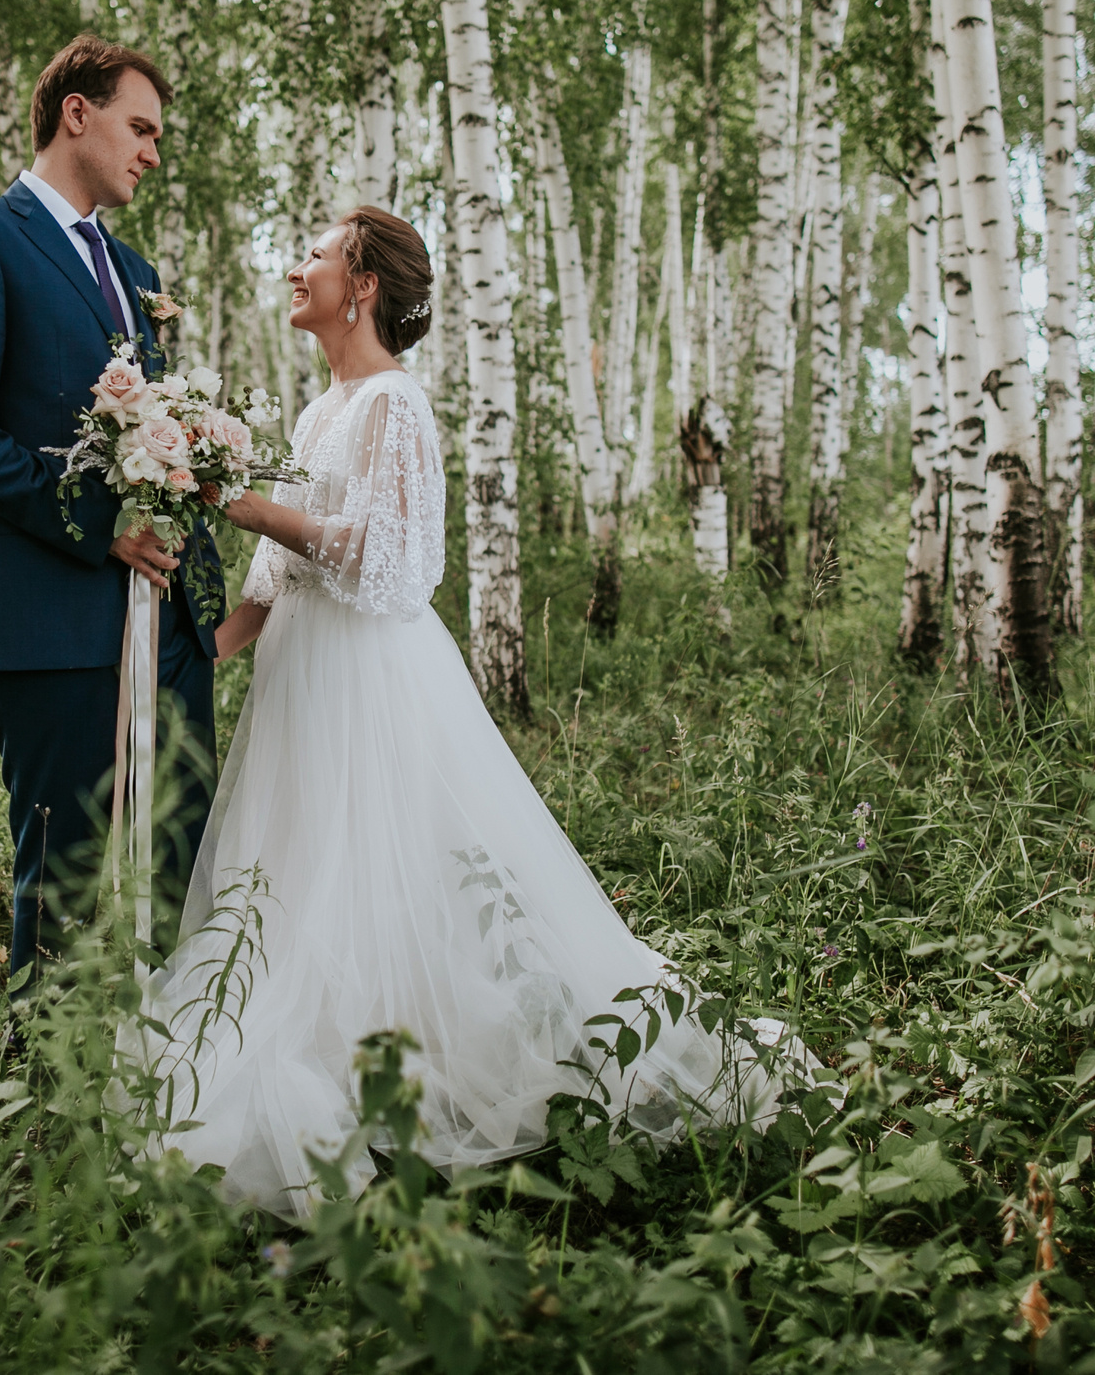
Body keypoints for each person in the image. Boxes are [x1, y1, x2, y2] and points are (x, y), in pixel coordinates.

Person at [133, 206, 819, 1222]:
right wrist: (204, 651)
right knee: (302, 865)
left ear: (360, 286)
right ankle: (344, 1044)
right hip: (299, 678)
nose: (295, 268)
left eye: (314, 256)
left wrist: (235, 496)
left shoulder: (393, 408)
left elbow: (387, 561)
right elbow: (282, 568)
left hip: (372, 675)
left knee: (380, 865)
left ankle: (425, 1063)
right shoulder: (323, 411)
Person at [0, 35, 219, 1011]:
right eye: (141, 127)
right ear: (75, 113)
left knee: (182, 850)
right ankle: (43, 1101)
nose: (153, 153)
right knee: (66, 868)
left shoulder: (133, 268)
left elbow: (143, 425)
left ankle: (171, 1078)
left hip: (166, 614)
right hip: (46, 611)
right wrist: (94, 523)